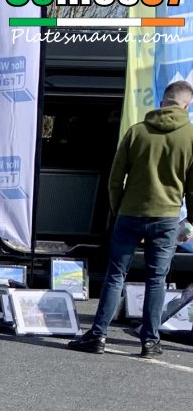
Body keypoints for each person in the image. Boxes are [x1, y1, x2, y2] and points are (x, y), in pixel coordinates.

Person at [69, 79, 193, 358]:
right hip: (167, 218)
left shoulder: (136, 132)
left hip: (129, 214)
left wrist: (119, 208)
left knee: (115, 275)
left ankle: (98, 335)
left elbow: (115, 178)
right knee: (156, 279)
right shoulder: (190, 136)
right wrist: (190, 221)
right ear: (186, 105)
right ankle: (149, 341)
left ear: (163, 102)